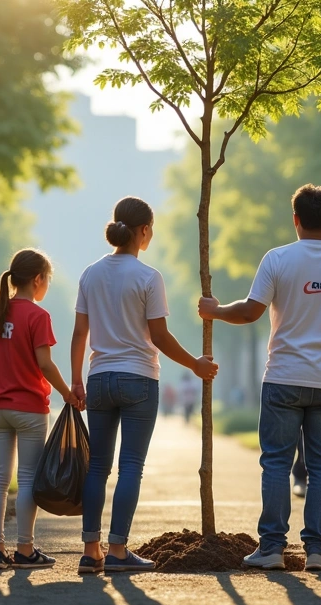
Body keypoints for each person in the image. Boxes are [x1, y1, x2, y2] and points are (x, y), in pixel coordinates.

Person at [199, 184, 321, 572]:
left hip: (283, 377)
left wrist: (214, 310)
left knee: (277, 463)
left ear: (295, 219)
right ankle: (317, 551)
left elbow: (249, 312)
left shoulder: (277, 259)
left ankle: (272, 549)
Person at [73, 196, 218, 574]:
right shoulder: (148, 277)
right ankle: (119, 550)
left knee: (97, 468)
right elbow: (160, 337)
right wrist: (196, 364)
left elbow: (78, 334)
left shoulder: (90, 273)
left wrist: (76, 380)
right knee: (131, 466)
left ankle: (91, 551)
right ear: (143, 231)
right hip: (138, 379)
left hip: (99, 377)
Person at [0, 248, 83, 571]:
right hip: (28, 408)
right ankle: (25, 549)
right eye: (47, 279)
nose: (47, 285)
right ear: (38, 279)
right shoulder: (38, 316)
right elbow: (44, 364)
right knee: (27, 480)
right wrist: (68, 392)